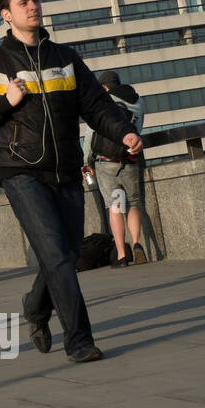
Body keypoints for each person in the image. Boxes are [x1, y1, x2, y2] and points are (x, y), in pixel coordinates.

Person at [0, 0, 141, 363]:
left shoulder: (65, 58)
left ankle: (36, 307)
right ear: (6, 14)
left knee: (67, 254)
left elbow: (96, 106)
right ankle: (80, 341)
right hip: (19, 171)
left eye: (35, 0)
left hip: (66, 169)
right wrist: (6, 102)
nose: (33, 7)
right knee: (55, 255)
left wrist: (123, 132)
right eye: (23, 2)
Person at [83, 69, 148, 267]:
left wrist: (86, 161)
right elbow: (138, 130)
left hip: (106, 162)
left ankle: (121, 254)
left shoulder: (103, 101)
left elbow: (91, 134)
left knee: (116, 205)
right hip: (129, 159)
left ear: (104, 87)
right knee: (133, 203)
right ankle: (137, 243)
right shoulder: (138, 101)